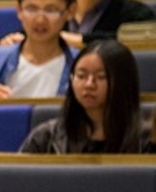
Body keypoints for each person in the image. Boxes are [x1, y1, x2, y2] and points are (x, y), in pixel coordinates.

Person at [19, 39, 149, 153]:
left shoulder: (146, 140)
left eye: (101, 77)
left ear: (123, 82)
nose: (89, 84)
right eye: (81, 76)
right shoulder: (46, 137)